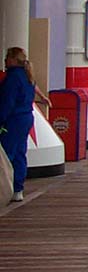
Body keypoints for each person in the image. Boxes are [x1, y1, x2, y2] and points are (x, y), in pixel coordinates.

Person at [1, 48, 45, 203]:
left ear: (13, 59)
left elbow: (7, 102)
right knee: (20, 153)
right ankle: (18, 188)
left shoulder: (12, 77)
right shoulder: (28, 76)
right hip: (26, 117)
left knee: (7, 154)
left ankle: (5, 188)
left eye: (7, 57)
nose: (5, 60)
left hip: (13, 120)